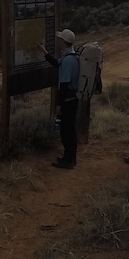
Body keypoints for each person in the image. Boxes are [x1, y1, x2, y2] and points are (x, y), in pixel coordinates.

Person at [41, 29, 81, 169]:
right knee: (69, 130)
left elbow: (63, 85)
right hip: (72, 99)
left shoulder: (68, 60)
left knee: (66, 131)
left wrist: (59, 104)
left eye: (59, 39)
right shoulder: (69, 56)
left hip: (68, 101)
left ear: (63, 42)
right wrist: (45, 52)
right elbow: (57, 63)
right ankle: (69, 157)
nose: (58, 41)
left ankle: (69, 160)